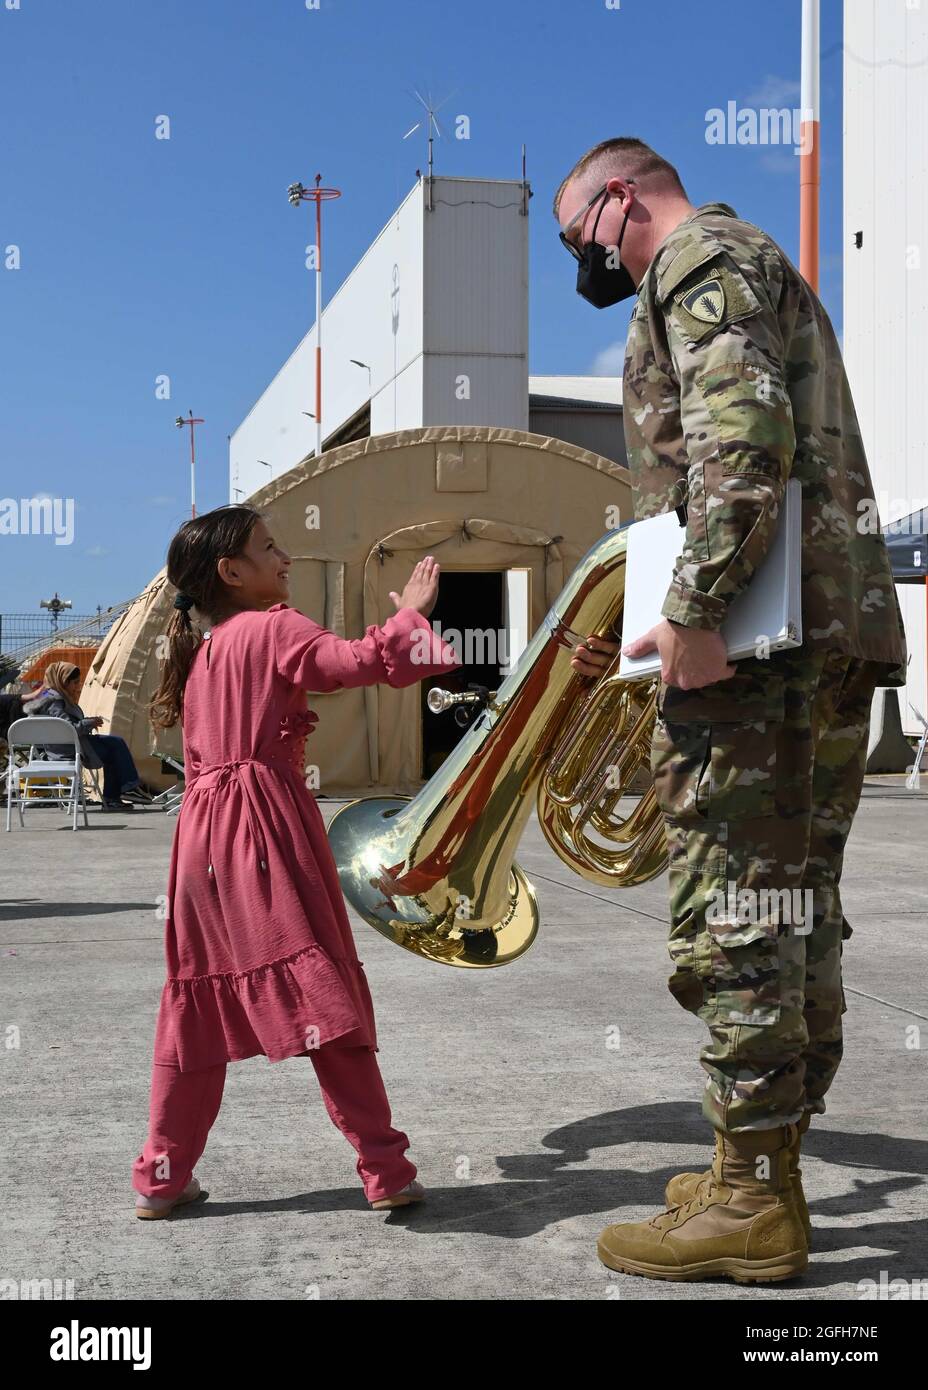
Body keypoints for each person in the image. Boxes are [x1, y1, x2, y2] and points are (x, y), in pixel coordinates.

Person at [554, 137, 907, 1283]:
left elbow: (740, 444)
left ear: (619, 199)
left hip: (763, 646)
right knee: (791, 903)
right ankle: (762, 1166)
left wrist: (696, 605)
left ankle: (750, 1199)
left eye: (576, 238)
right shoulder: (751, 260)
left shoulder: (695, 260)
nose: (583, 265)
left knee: (739, 914)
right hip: (817, 633)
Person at [131, 504, 462, 1218]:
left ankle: (160, 1179)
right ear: (233, 572)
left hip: (200, 842)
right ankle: (386, 1171)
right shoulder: (274, 626)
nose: (284, 559)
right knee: (322, 997)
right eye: (270, 548)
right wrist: (410, 615)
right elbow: (357, 664)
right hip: (264, 830)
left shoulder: (202, 654)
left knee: (197, 1002)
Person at [21, 662, 150, 811]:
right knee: (115, 748)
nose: (77, 686)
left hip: (61, 747)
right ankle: (124, 789)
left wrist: (88, 722)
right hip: (70, 749)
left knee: (114, 745)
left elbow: (65, 725)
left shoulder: (48, 698)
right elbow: (68, 730)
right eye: (75, 683)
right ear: (63, 681)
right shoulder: (55, 702)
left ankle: (122, 791)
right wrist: (89, 723)